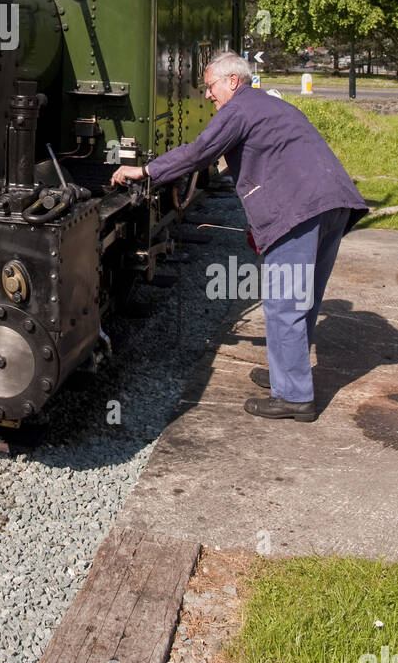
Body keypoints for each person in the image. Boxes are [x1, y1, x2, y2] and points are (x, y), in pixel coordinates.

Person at [110, 52, 368, 422]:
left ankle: (294, 397)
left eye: (210, 86)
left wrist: (146, 171)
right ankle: (287, 374)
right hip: (333, 203)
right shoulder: (268, 105)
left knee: (283, 302)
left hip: (300, 209)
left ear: (232, 81)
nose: (207, 94)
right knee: (303, 297)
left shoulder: (239, 108)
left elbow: (199, 152)